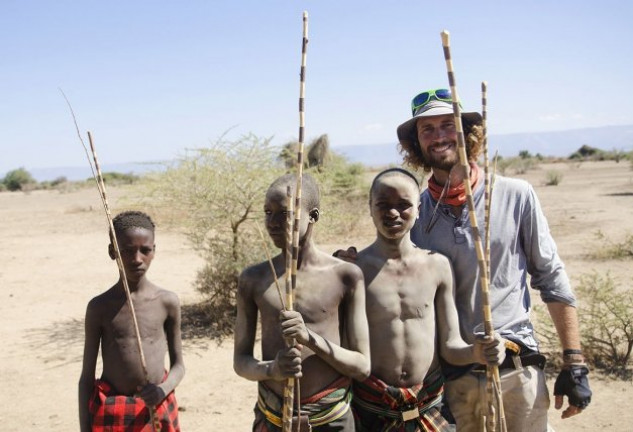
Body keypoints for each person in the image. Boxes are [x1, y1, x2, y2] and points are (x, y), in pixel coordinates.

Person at [395, 88, 592, 431]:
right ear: (416, 143)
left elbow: (551, 276)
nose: (439, 136)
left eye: (447, 125)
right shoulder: (413, 215)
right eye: (427, 129)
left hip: (518, 372)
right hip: (450, 383)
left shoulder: (515, 195)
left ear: (467, 134)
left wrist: (574, 362)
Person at [352, 167, 505, 432]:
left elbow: (450, 345)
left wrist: (476, 352)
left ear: (419, 207)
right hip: (372, 408)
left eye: (404, 205)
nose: (393, 213)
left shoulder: (437, 266)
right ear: (369, 207)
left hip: (428, 406)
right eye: (383, 204)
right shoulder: (353, 270)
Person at [233, 173, 371, 431]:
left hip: (332, 421)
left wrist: (309, 338)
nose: (272, 223)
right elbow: (241, 362)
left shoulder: (345, 276)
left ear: (313, 216)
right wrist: (272, 369)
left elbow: (362, 367)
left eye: (284, 214)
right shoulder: (253, 279)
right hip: (274, 418)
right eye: (267, 212)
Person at [78, 211, 185, 432]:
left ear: (154, 251)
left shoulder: (167, 302)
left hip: (157, 407)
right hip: (113, 412)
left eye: (145, 250)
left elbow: (179, 366)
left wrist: (162, 390)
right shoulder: (99, 307)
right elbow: (86, 379)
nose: (137, 259)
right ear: (112, 252)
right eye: (127, 251)